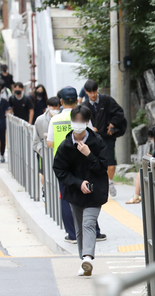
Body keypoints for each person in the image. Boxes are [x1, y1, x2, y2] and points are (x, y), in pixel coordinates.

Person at [53, 104, 109, 277]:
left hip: (95, 193)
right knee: (79, 229)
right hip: (75, 193)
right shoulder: (65, 146)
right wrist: (78, 183)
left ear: (87, 122)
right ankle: (84, 261)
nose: (78, 124)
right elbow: (59, 169)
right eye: (75, 121)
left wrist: (89, 154)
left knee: (88, 224)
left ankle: (88, 258)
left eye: (82, 121)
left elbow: (102, 167)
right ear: (71, 122)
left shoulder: (97, 142)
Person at [47, 86, 105, 244]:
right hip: (86, 163)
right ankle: (95, 231)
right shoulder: (85, 115)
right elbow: (93, 132)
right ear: (77, 99)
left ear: (61, 101)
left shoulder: (55, 119)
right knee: (90, 195)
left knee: (67, 198)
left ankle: (72, 234)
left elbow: (50, 142)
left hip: (65, 165)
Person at [81, 79, 128, 198]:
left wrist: (112, 123)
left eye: (94, 91)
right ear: (86, 92)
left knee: (110, 163)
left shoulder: (106, 100)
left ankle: (110, 182)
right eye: (90, 92)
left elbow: (119, 113)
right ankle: (99, 184)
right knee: (94, 162)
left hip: (107, 137)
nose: (93, 95)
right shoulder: (84, 106)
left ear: (97, 90)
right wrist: (91, 129)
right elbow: (81, 123)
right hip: (93, 139)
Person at [127, 123, 155, 204]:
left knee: (139, 174)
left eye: (151, 137)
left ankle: (136, 197)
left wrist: (151, 158)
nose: (151, 139)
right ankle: (137, 196)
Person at [34, 96, 61, 192]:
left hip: (60, 153)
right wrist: (44, 152)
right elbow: (35, 141)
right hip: (44, 152)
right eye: (53, 108)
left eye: (57, 108)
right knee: (44, 173)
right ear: (48, 107)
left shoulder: (62, 118)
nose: (55, 110)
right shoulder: (40, 120)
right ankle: (45, 191)